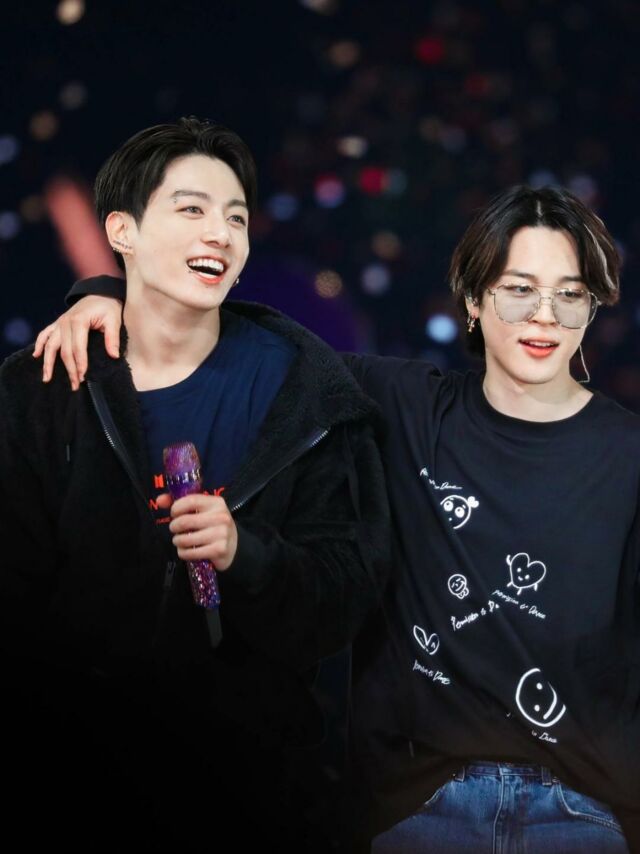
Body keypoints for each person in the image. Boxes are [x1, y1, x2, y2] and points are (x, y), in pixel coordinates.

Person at [34, 185, 640, 852]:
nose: (544, 316)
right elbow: (234, 341)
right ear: (473, 298)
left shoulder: (629, 456)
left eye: (569, 294)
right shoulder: (398, 405)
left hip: (582, 815)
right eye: (519, 289)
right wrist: (106, 293)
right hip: (420, 809)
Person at [0, 117, 390, 853]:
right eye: (191, 209)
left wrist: (248, 555)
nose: (220, 234)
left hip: (250, 791)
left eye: (236, 218)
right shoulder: (44, 387)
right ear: (122, 231)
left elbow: (345, 594)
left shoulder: (305, 392)